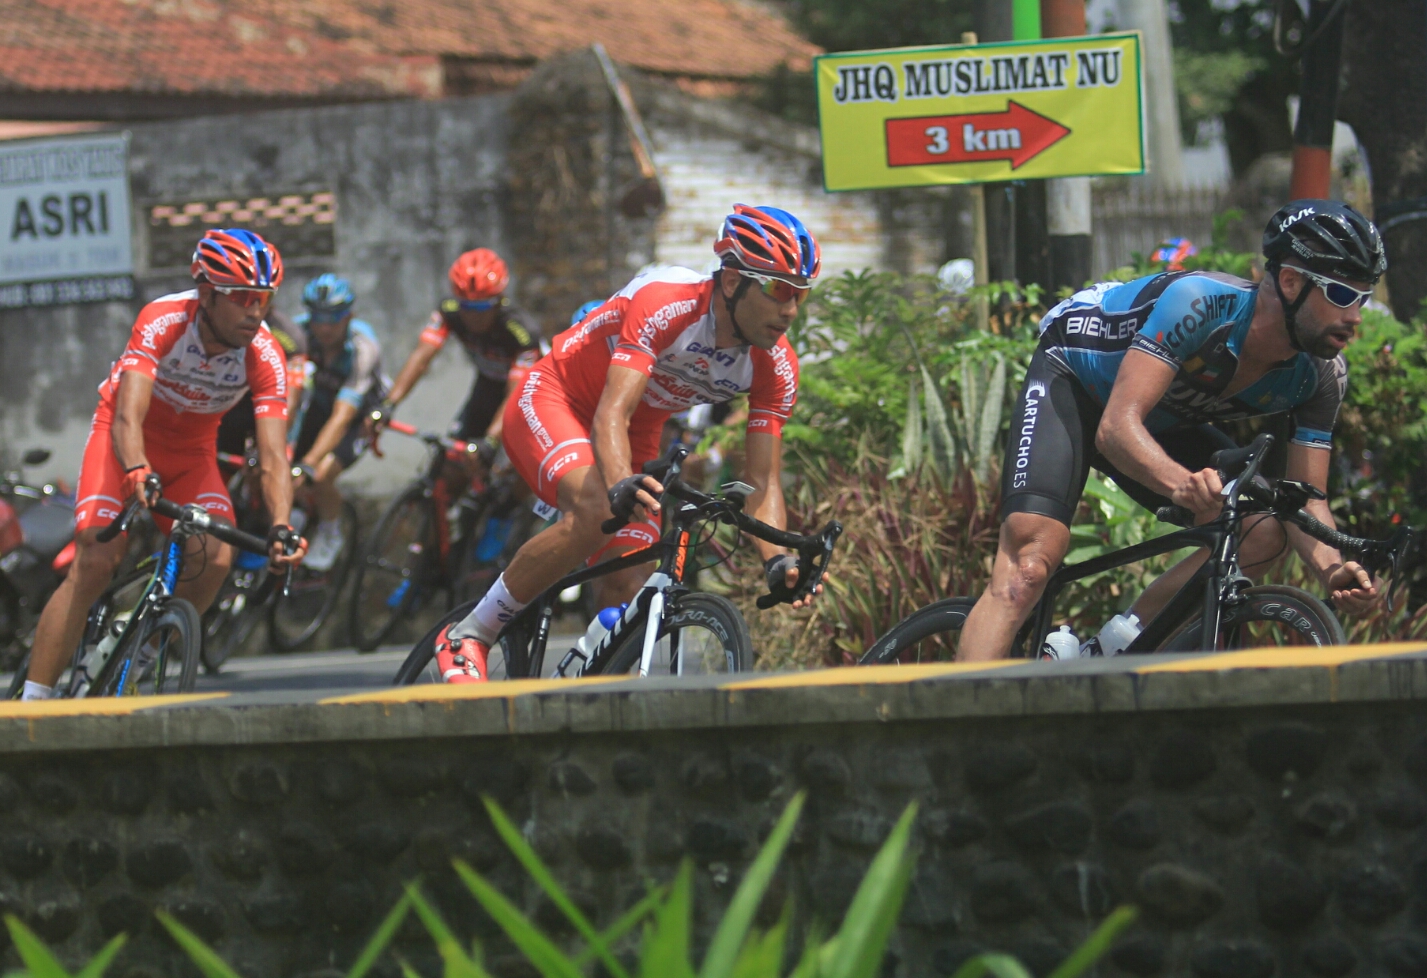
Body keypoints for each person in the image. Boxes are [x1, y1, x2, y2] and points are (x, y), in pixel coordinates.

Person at [960, 199, 1386, 661]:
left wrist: (1332, 570)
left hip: (1161, 418)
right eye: (1343, 295)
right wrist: (1183, 485)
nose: (1356, 315)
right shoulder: (1203, 306)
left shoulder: (1320, 375)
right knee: (1028, 568)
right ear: (1289, 282)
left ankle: (1112, 647)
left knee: (1260, 533)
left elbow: (1306, 497)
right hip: (1077, 383)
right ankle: (958, 727)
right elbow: (1116, 429)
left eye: (1364, 298)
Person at [432, 204, 823, 683]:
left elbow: (763, 482)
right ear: (730, 280)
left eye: (801, 294)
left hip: (637, 432)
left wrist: (777, 559)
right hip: (558, 400)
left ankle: (586, 696)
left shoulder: (777, 366)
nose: (790, 309)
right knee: (599, 507)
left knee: (630, 583)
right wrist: (618, 483)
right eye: (779, 289)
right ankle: (471, 632)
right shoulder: (668, 304)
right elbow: (610, 412)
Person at [25, 229, 307, 699]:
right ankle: (32, 701)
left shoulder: (265, 356)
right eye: (241, 297)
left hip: (191, 454)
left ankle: (137, 660)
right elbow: (127, 415)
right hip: (124, 443)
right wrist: (136, 467)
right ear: (207, 293)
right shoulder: (163, 320)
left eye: (264, 299)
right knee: (96, 558)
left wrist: (281, 525)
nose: (255, 311)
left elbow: (274, 454)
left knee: (216, 556)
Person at [372, 249, 543, 478]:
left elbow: (517, 394)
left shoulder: (520, 332)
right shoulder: (450, 312)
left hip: (529, 396)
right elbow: (421, 358)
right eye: (467, 306)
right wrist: (388, 404)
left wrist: (491, 439)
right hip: (488, 386)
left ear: (499, 301)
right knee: (451, 463)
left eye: (482, 307)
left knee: (503, 471)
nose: (473, 316)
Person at [289, 274, 388, 572]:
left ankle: (331, 532)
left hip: (358, 415)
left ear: (350, 317)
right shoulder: (298, 333)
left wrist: (309, 462)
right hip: (319, 405)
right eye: (318, 318)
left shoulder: (362, 347)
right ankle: (296, 513)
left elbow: (343, 415)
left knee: (319, 474)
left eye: (334, 318)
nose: (325, 327)